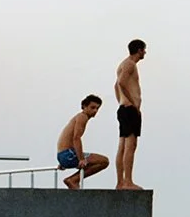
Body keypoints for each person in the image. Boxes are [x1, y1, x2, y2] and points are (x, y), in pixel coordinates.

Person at [56, 95, 109, 189]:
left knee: (95, 161)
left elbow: (67, 139)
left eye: (97, 108)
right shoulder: (82, 117)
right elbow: (76, 138)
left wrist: (63, 161)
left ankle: (73, 179)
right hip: (67, 154)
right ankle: (73, 180)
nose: (95, 111)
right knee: (104, 161)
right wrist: (81, 159)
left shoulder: (78, 117)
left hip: (63, 155)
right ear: (84, 107)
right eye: (92, 107)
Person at [114, 39, 147, 190]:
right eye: (144, 50)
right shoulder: (129, 64)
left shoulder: (124, 64)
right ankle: (127, 181)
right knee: (130, 145)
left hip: (124, 108)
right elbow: (121, 83)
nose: (145, 53)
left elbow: (116, 85)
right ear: (139, 50)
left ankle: (121, 182)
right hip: (129, 109)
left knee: (123, 145)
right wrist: (132, 102)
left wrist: (121, 100)